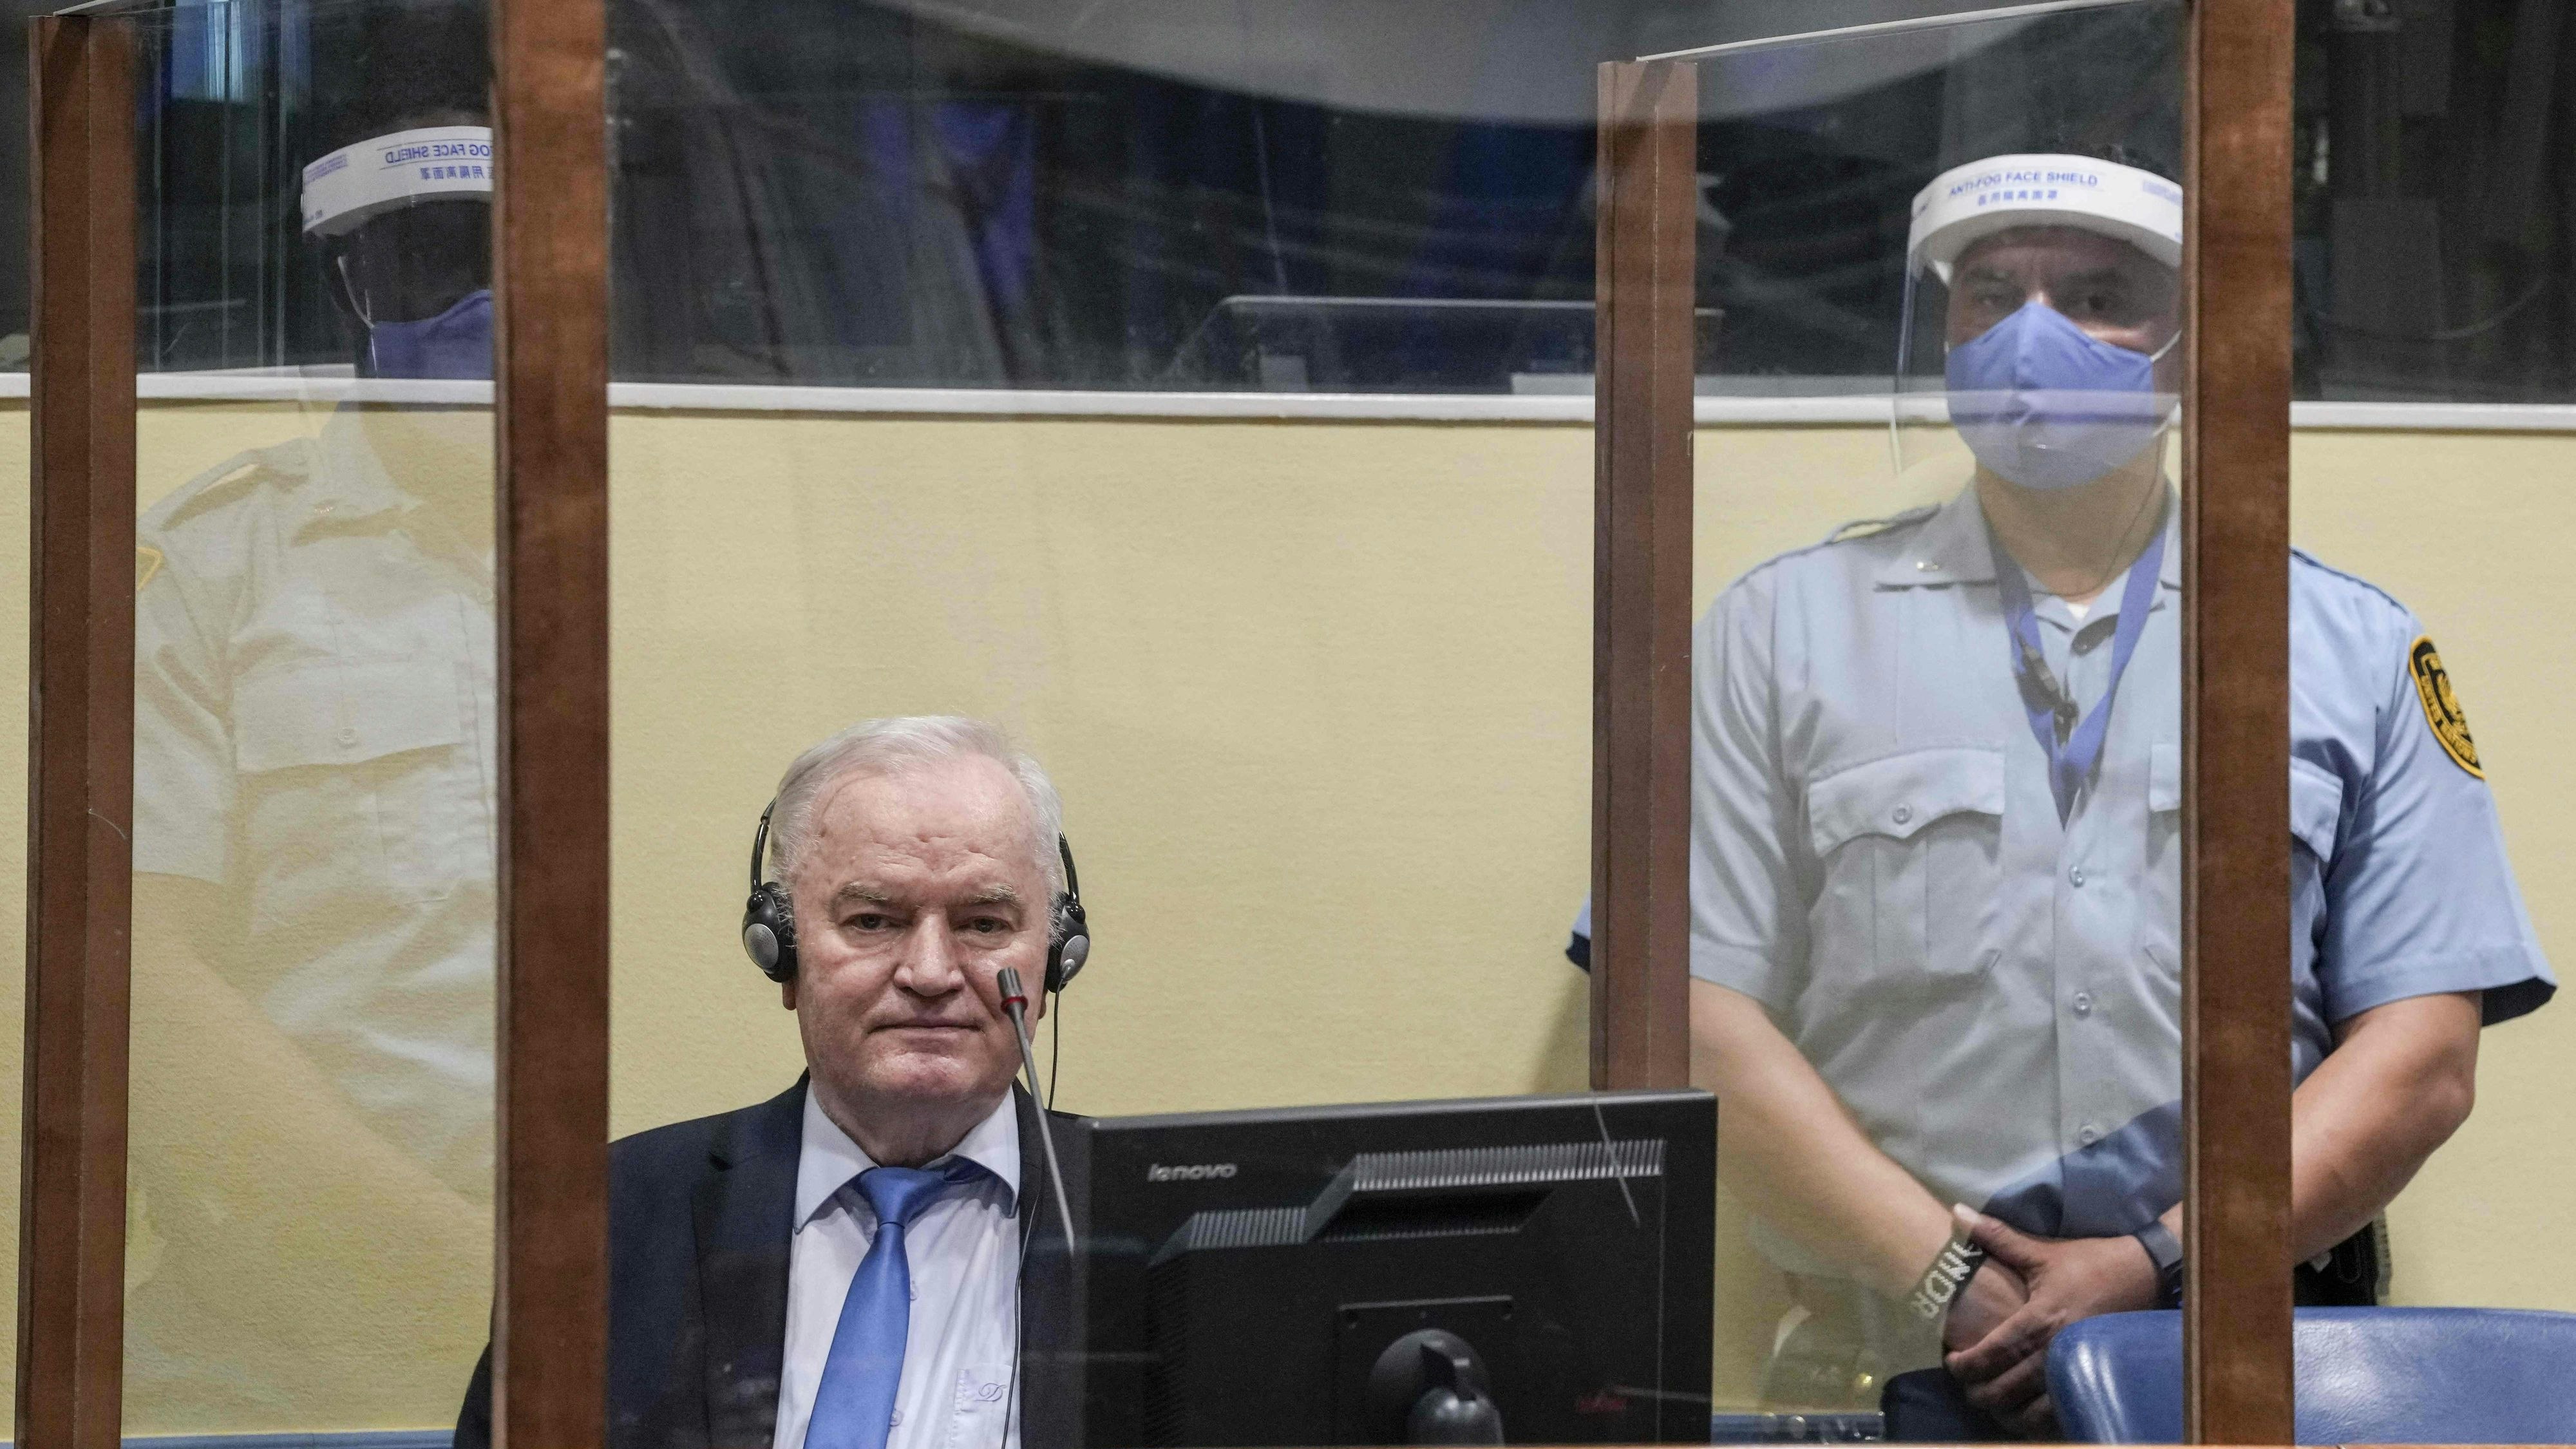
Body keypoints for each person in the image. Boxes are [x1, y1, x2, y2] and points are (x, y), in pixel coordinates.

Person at [1571, 152, 2554, 1438]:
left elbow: (2420, 1056)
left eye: (2097, 298)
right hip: (1887, 1366)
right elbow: (1679, 1015)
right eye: (1990, 297)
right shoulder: (1780, 634)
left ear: (2198, 344)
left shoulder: (2347, 647)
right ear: (1942, 335)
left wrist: (2159, 1263)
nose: (2031, 337)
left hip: (2248, 1356)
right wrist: (1949, 1283)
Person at [122, 6, 506, 1412]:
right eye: (432, 261)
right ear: (347, 286)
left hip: (630, 1302)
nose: (481, 307)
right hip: (282, 1328)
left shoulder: (684, 556)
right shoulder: (214, 567)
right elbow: (143, 986)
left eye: (508, 257)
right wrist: (462, 1270)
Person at [455, 716, 1086, 1449]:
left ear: (1054, 959)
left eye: (984, 924)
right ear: (780, 950)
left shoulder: (1144, 1217)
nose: (931, 973)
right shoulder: (606, 1215)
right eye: (873, 921)